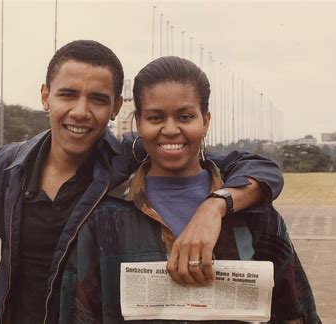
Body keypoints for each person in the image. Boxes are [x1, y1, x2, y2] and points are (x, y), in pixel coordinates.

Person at [0, 41, 285, 324]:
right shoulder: (7, 167)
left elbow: (254, 167)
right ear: (46, 96)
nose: (80, 111)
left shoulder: (127, 158)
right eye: (68, 94)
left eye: (98, 99)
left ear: (117, 107)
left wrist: (216, 205)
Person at [60, 56, 320, 323]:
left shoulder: (253, 213)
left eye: (185, 116)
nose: (171, 129)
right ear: (138, 122)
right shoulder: (106, 217)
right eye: (156, 117)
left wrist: (215, 207)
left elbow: (295, 311)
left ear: (205, 120)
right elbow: (80, 313)